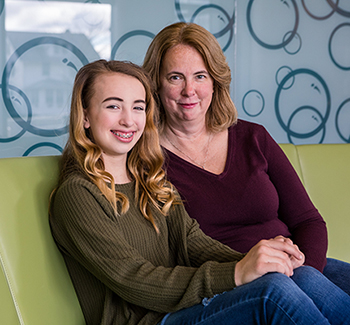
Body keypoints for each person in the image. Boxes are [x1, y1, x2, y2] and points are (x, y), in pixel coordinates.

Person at [49, 59, 350, 325]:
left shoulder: (149, 178)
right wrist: (236, 273)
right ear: (85, 116)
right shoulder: (78, 194)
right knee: (273, 294)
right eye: (114, 106)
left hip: (187, 307)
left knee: (301, 275)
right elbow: (133, 278)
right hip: (151, 320)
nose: (129, 119)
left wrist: (263, 262)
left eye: (138, 107)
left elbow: (193, 242)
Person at [143, 22, 350, 296]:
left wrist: (306, 271)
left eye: (200, 76)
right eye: (175, 77)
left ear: (215, 82)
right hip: (233, 284)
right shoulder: (147, 159)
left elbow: (308, 221)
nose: (189, 90)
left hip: (294, 267)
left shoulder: (253, 137)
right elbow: (167, 255)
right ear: (156, 84)